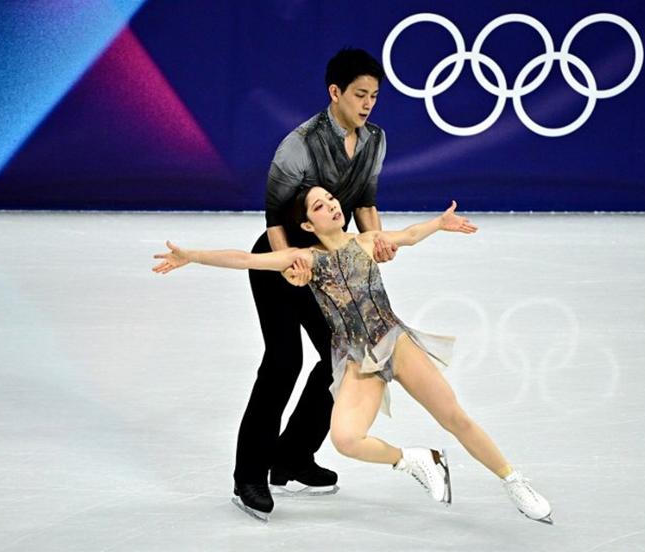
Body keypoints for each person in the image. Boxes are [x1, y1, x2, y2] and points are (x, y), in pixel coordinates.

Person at [152, 186, 554, 524]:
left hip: (394, 341)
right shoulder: (304, 260)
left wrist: (438, 224)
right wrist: (193, 255)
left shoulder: (365, 241)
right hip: (359, 358)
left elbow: (410, 235)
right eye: (320, 206)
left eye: (331, 199)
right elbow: (244, 259)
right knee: (345, 438)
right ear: (307, 225)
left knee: (454, 416)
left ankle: (513, 479)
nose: (332, 206)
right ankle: (415, 459)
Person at [230, 48, 394, 519]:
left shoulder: (374, 140)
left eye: (375, 96)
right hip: (280, 255)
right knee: (284, 361)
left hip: (329, 261)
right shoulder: (299, 144)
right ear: (335, 93)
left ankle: (293, 456)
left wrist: (374, 243)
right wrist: (288, 264)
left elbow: (364, 201)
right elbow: (274, 216)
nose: (367, 104)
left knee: (342, 356)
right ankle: (249, 475)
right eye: (360, 94)